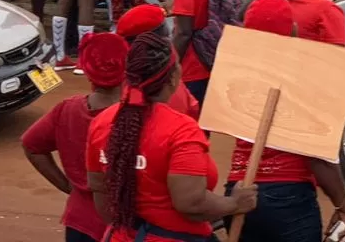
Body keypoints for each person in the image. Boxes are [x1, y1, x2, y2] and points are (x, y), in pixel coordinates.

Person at [86, 32, 256, 241]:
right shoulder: (181, 130)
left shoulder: (102, 122)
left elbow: (100, 194)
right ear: (174, 78)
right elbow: (191, 203)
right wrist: (235, 204)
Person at [226, 0, 345, 242]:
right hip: (286, 196)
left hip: (238, 190)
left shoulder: (235, 70)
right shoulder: (302, 76)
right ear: (293, 29)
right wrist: (343, 206)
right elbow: (317, 158)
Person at [22, 33, 128, 242]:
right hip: (123, 225)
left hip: (80, 220)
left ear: (87, 71)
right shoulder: (135, 117)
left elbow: (31, 145)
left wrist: (69, 187)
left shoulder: (67, 109)